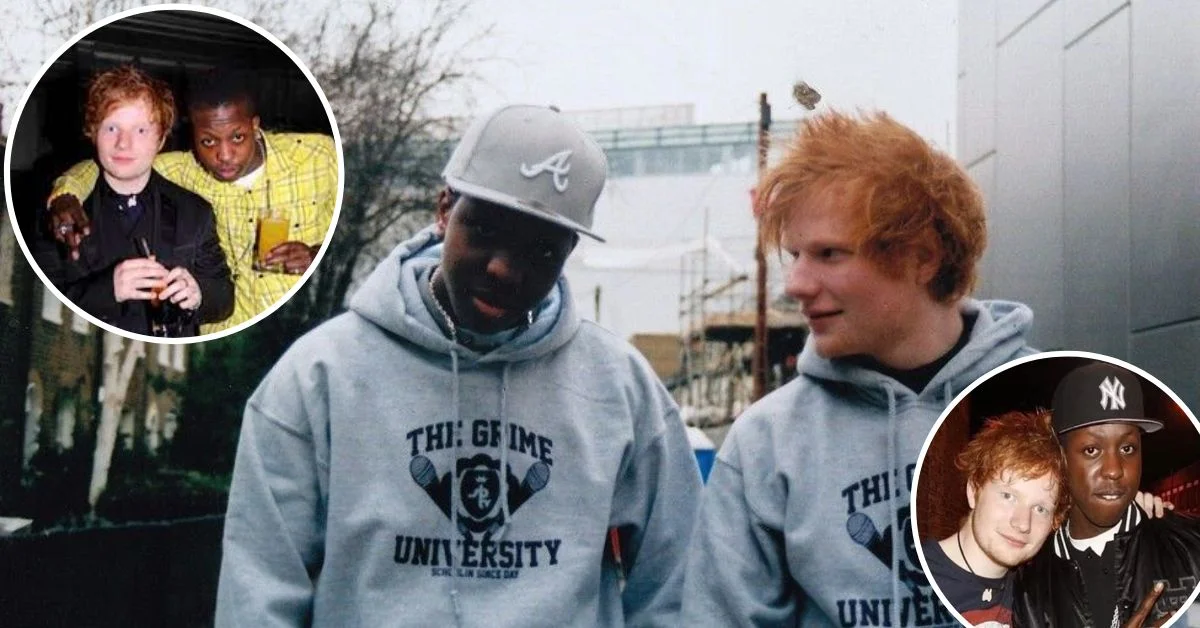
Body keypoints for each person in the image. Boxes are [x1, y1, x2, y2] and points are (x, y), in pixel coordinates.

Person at [215, 105, 702, 626]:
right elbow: (259, 593)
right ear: (445, 209)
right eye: (487, 231)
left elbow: (680, 585)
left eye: (541, 251)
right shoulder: (320, 377)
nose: (504, 269)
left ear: (569, 251)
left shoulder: (619, 390)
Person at [680, 109, 1037, 627]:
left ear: (923, 258)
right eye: (796, 254)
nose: (796, 284)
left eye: (829, 254)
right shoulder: (768, 442)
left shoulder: (1063, 413)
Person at [45, 66, 337, 333]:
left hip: (306, 321)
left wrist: (316, 253)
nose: (224, 155)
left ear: (254, 124)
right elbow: (109, 164)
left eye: (237, 137)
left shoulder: (319, 156)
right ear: (192, 134)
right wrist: (66, 195)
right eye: (208, 141)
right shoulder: (183, 170)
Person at [32, 64, 232, 337]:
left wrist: (199, 293)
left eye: (140, 131)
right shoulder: (59, 215)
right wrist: (108, 290)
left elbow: (223, 296)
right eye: (112, 128)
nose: (123, 144)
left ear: (160, 140)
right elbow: (40, 301)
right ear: (93, 132)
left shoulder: (195, 212)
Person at [1012, 361, 1200, 627]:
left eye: (1127, 449)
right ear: (1061, 458)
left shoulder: (1191, 546)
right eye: (1091, 450)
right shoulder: (1027, 586)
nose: (1114, 470)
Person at [923, 410, 1069, 626]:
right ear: (974, 491)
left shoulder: (1033, 596)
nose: (1022, 523)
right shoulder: (911, 579)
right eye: (1008, 496)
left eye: (1040, 509)